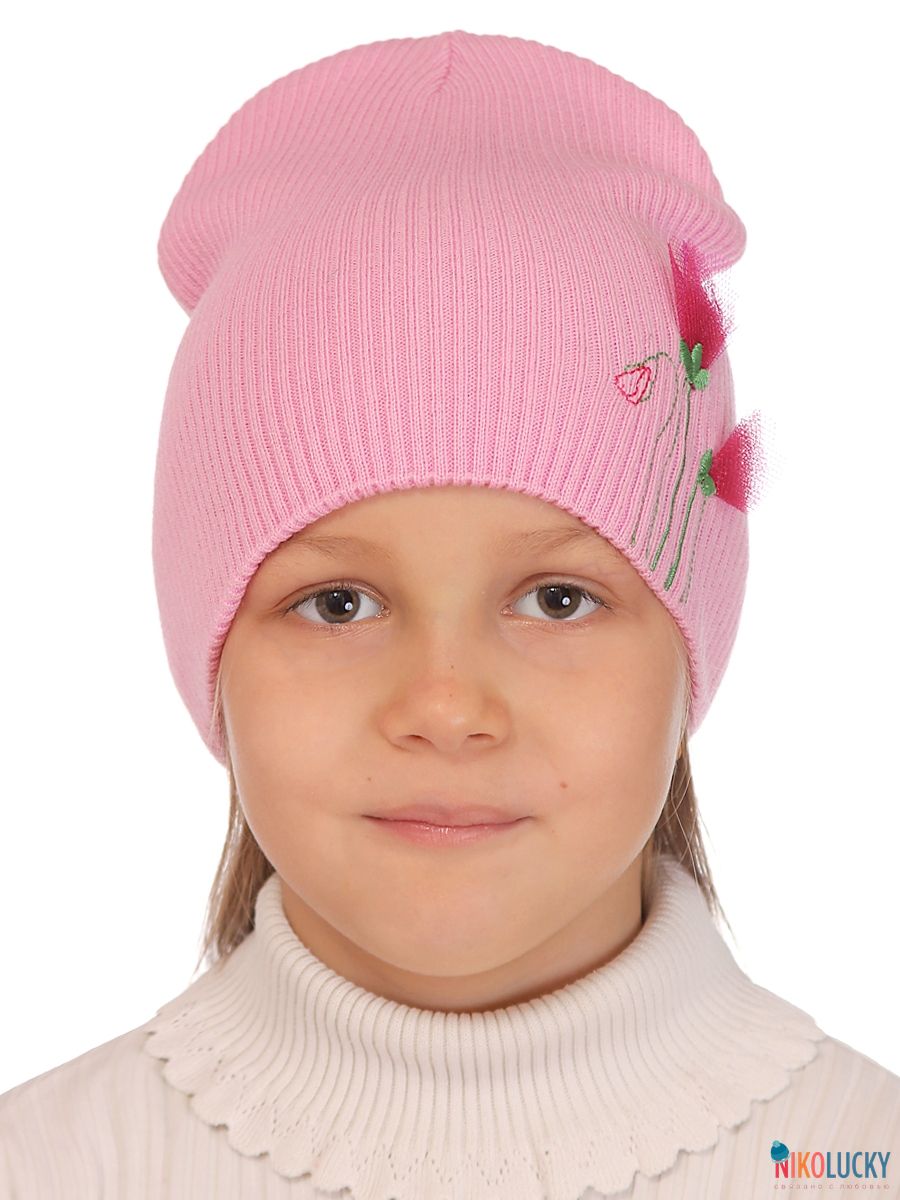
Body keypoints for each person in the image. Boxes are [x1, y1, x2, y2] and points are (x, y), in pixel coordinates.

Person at [1, 28, 898, 1200]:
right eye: (338, 603)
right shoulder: (52, 1167)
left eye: (559, 599)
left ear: (693, 646)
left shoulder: (852, 1162)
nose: (445, 706)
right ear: (209, 655)